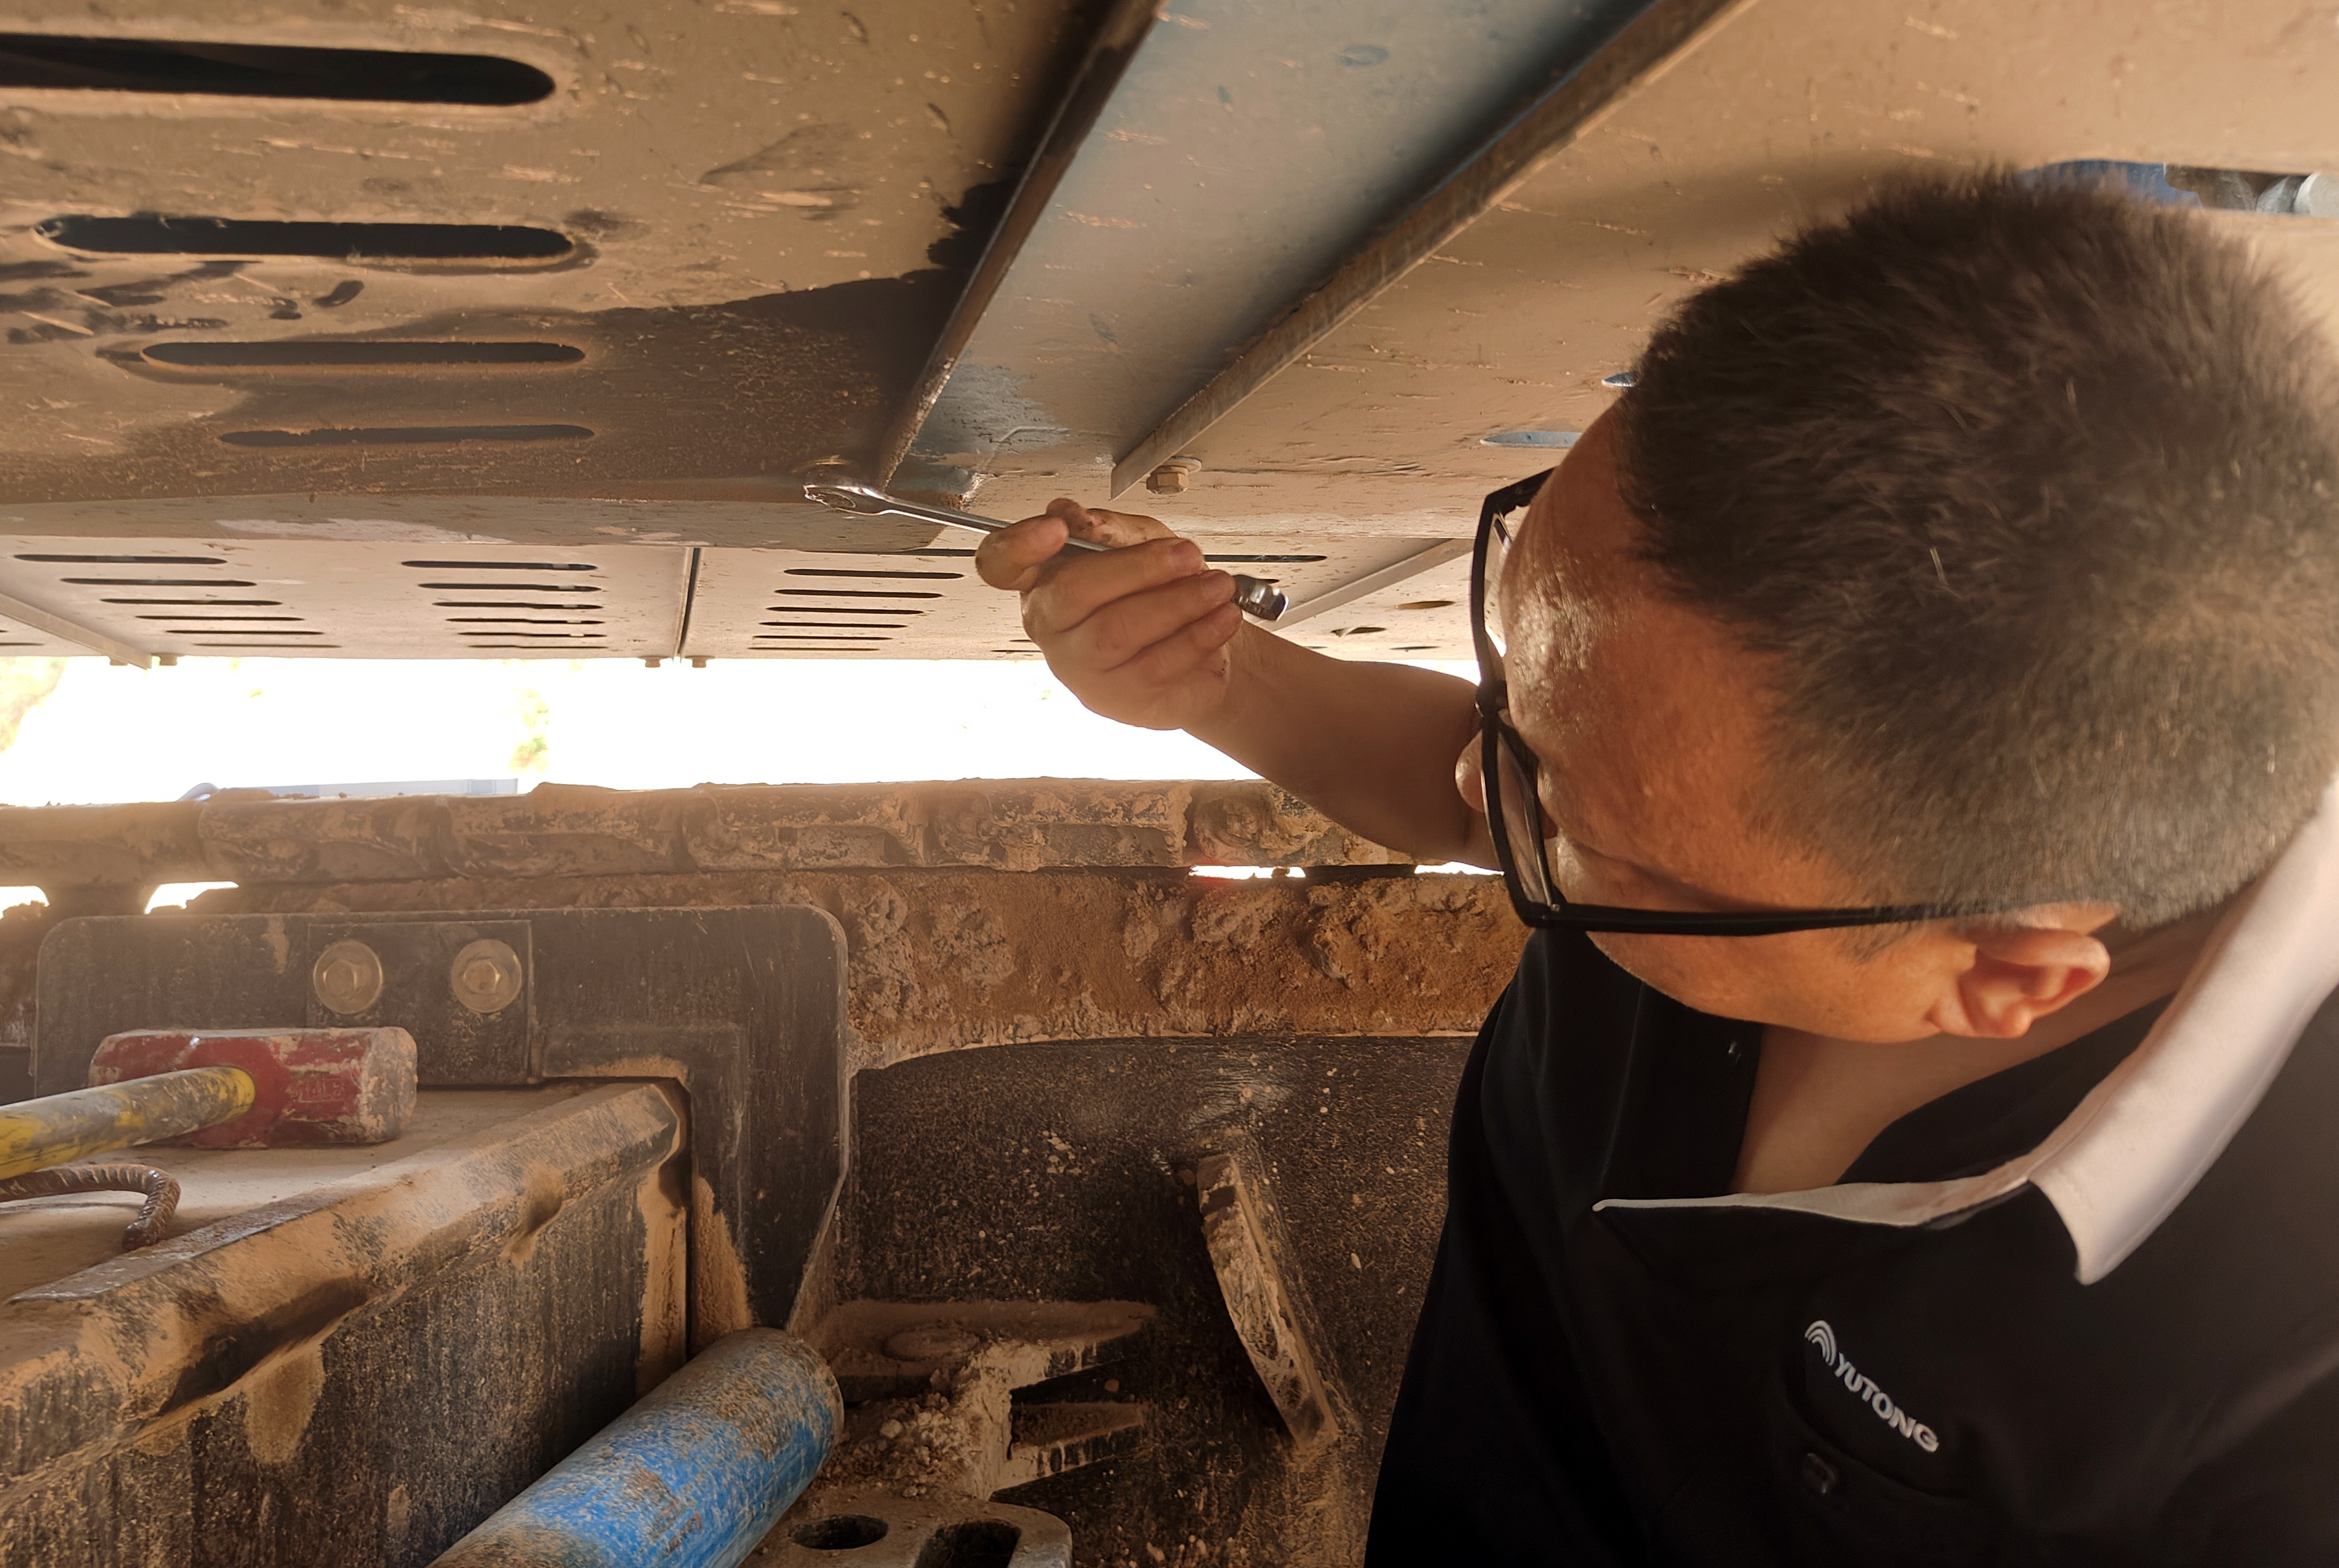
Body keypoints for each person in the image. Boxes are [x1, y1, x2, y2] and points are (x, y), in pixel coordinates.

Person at [973, 172, 2339, 1564]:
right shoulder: (1807, 827)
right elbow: (1492, 774)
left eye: (1574, 836)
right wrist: (1212, 675)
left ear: (1997, 974)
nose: (1477, 789)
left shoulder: (2282, 1404)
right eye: (1512, 697)